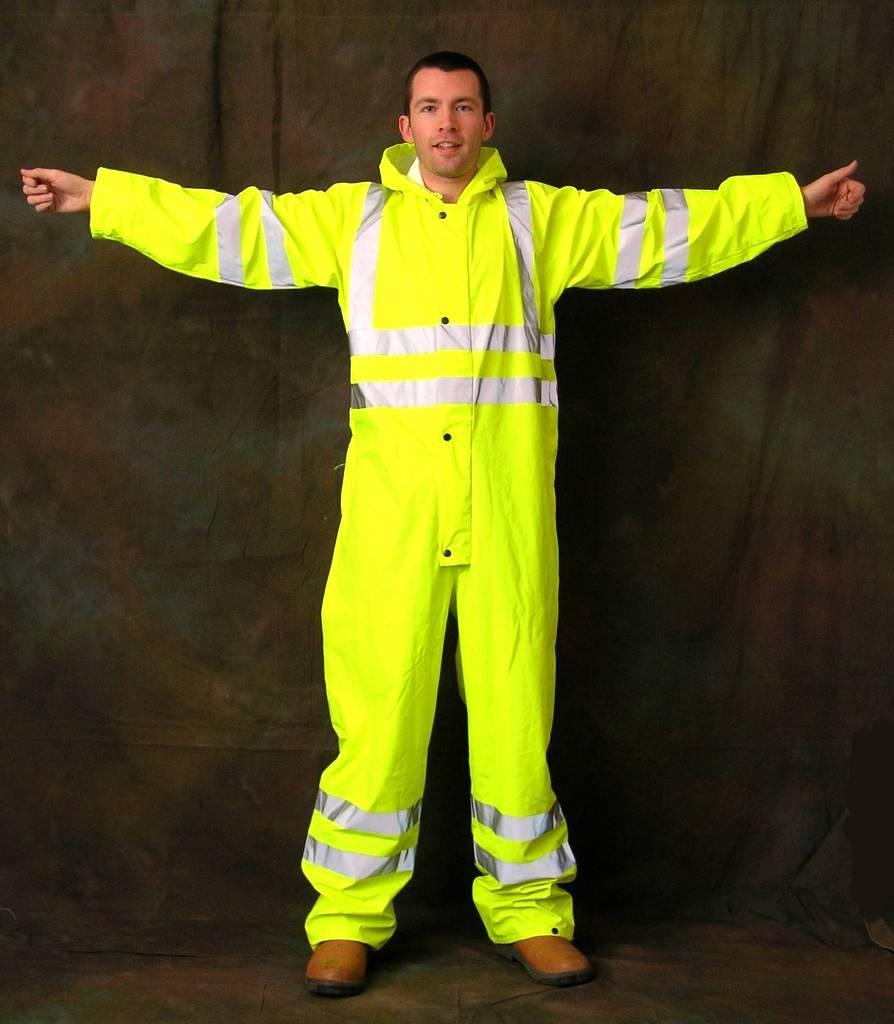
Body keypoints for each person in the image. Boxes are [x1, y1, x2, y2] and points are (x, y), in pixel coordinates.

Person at [22, 50, 865, 999]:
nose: (447, 123)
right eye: (430, 108)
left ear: (488, 125)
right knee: (378, 712)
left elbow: (674, 227)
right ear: (405, 127)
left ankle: (532, 908)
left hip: (506, 512)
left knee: (515, 710)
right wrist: (102, 198)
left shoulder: (542, 221)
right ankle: (347, 918)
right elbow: (232, 228)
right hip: (394, 520)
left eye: (463, 107)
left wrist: (791, 203)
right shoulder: (352, 222)